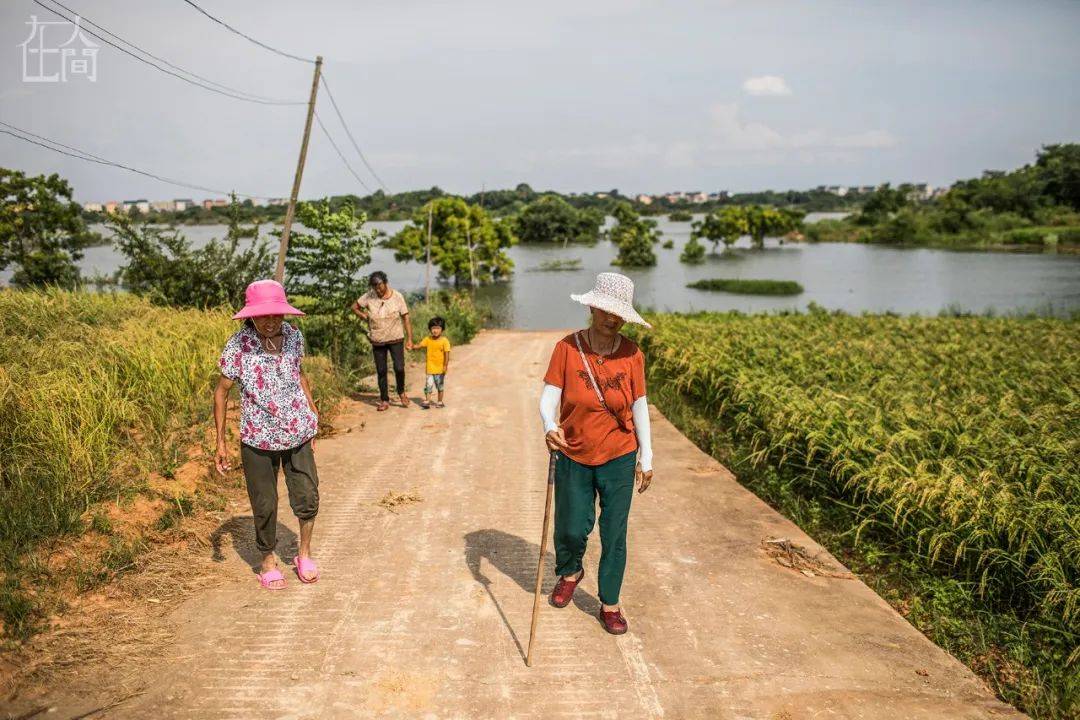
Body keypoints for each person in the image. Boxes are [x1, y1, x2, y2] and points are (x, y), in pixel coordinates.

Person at [538, 272, 654, 635]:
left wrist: (646, 457)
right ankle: (571, 571)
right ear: (592, 306)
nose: (611, 317)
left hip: (620, 454)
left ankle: (610, 602)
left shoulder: (632, 354)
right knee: (571, 527)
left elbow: (640, 405)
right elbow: (549, 397)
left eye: (618, 312)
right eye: (605, 309)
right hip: (574, 451)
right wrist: (548, 425)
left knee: (614, 532)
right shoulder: (567, 349)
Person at [213, 279, 321, 590]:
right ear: (251, 316)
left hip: (298, 431)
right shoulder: (238, 346)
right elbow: (221, 393)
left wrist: (312, 411)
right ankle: (268, 561)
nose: (272, 321)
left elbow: (299, 374)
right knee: (265, 502)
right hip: (257, 438)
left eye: (277, 314)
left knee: (307, 496)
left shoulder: (293, 337)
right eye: (264, 315)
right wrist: (220, 442)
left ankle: (304, 554)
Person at [351, 271, 414, 411]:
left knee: (399, 367)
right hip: (378, 339)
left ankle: (401, 392)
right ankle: (384, 399)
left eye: (379, 286)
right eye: (374, 287)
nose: (377, 289)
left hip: (396, 337)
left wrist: (410, 339)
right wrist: (364, 316)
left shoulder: (397, 296)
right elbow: (354, 307)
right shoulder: (369, 296)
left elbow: (406, 318)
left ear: (385, 283)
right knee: (381, 370)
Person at [410, 316, 451, 409]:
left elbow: (447, 354)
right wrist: (412, 346)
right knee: (428, 386)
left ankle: (440, 402)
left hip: (440, 369)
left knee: (440, 387)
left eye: (437, 328)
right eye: (433, 328)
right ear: (430, 329)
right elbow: (419, 345)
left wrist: (445, 366)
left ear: (442, 329)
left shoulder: (445, 341)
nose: (435, 330)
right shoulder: (428, 339)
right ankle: (427, 401)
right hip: (430, 369)